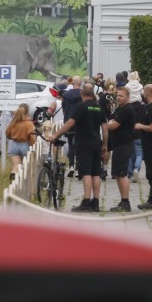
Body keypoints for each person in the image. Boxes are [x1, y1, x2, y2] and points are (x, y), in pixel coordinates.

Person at [45, 82, 107, 212]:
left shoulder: (81, 106)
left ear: (82, 94)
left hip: (84, 142)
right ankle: (95, 202)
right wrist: (105, 144)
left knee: (86, 172)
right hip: (97, 142)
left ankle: (86, 201)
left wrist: (55, 135)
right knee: (96, 172)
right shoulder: (98, 107)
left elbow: (70, 123)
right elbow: (104, 127)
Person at [104, 86, 137, 212]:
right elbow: (112, 119)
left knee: (122, 174)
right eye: (117, 95)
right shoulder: (120, 108)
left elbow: (113, 125)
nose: (118, 98)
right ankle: (123, 200)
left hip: (124, 145)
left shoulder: (127, 109)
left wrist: (106, 125)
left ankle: (126, 202)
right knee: (117, 174)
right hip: (118, 145)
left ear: (128, 97)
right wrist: (110, 123)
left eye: (121, 96)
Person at [5, 103, 36, 181]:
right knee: (26, 165)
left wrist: (12, 137)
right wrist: (33, 145)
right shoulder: (29, 123)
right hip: (25, 145)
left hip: (14, 145)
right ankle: (24, 180)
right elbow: (32, 136)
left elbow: (7, 133)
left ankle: (14, 175)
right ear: (27, 112)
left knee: (16, 165)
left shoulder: (13, 122)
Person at [126, 71, 144, 179]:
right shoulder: (140, 86)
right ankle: (137, 168)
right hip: (139, 132)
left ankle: (129, 173)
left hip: (129, 131)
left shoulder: (127, 85)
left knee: (129, 153)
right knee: (139, 153)